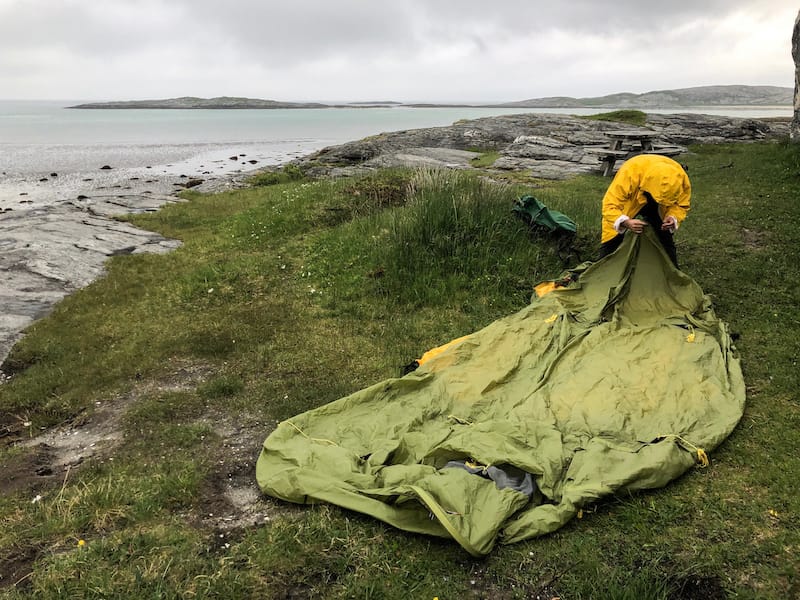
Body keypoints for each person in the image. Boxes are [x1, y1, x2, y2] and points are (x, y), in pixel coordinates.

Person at [598, 154, 691, 267]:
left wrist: (672, 217)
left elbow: (681, 204)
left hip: (657, 204)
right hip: (633, 197)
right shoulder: (629, 173)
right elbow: (610, 205)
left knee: (663, 233)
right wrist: (625, 222)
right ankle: (603, 265)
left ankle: (672, 270)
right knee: (612, 236)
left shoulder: (681, 179)